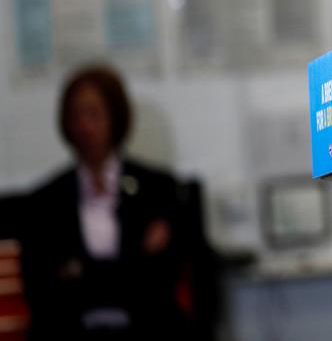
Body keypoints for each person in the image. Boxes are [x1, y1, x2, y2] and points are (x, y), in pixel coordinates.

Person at [19, 63, 210, 340]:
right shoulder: (46, 200)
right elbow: (42, 290)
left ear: (116, 117)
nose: (85, 126)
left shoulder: (159, 190)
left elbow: (166, 280)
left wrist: (81, 272)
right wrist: (132, 265)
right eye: (76, 115)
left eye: (94, 114)